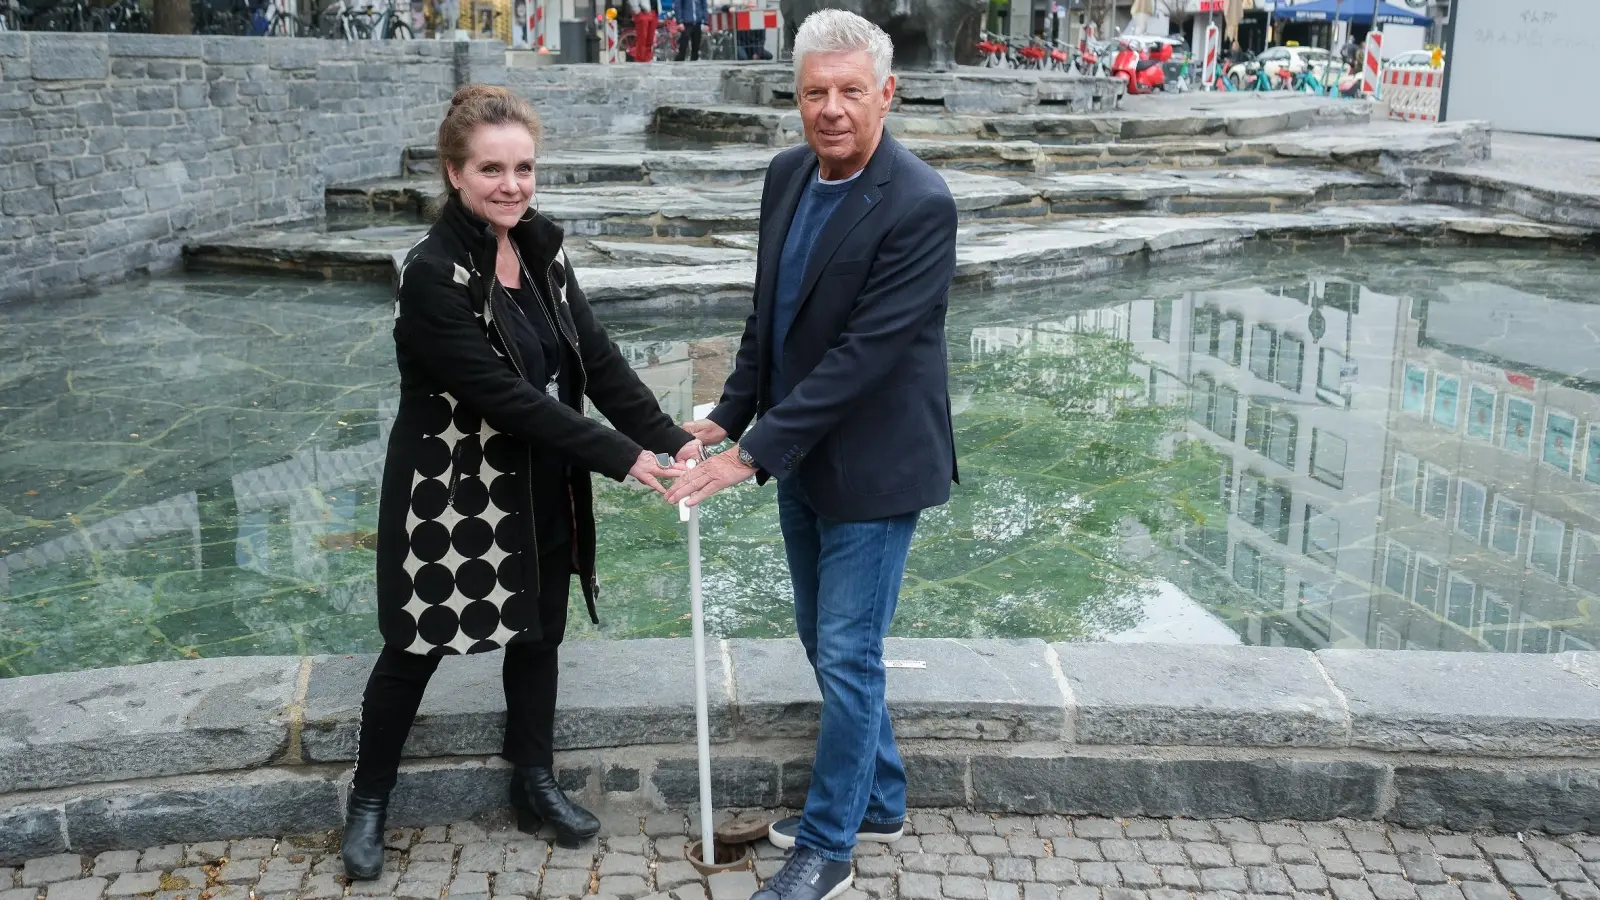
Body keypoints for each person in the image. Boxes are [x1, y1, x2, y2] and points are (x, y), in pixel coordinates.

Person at [340, 84, 700, 881]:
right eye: (492, 170)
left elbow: (595, 361)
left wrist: (674, 443)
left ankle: (534, 781)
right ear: (455, 173)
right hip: (449, 492)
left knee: (540, 635)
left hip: (539, 479)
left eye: (525, 168)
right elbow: (500, 395)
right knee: (413, 646)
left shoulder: (540, 250)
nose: (512, 185)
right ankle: (368, 801)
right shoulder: (432, 275)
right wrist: (622, 457)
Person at [664, 10, 958, 900]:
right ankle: (883, 799)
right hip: (799, 454)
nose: (830, 110)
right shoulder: (788, 175)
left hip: (872, 467)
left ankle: (829, 844)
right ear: (796, 98)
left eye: (849, 92)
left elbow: (863, 357)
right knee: (829, 644)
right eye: (814, 93)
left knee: (845, 649)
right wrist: (729, 415)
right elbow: (773, 318)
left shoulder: (920, 202)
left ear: (887, 94)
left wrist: (749, 456)